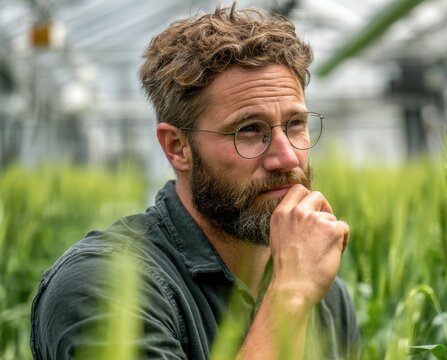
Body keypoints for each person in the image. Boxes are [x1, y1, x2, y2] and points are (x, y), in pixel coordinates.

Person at [30, 4, 358, 359]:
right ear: (177, 147)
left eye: (295, 124)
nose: (288, 158)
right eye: (249, 130)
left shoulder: (326, 294)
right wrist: (290, 297)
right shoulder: (102, 287)